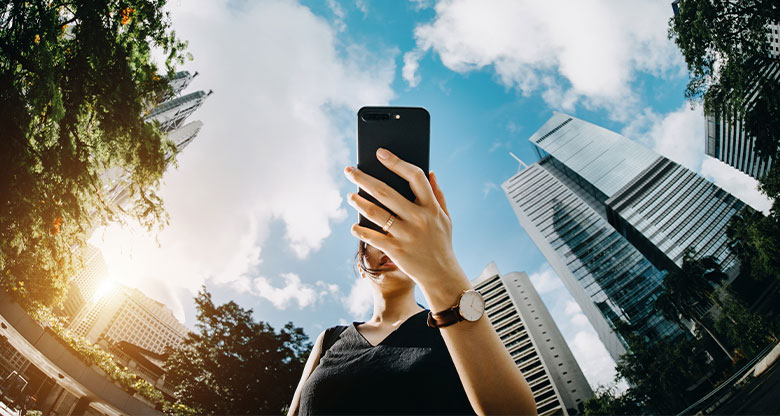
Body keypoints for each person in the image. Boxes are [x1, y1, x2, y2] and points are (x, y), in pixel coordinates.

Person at [288, 148, 536, 415]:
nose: (389, 244)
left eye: (398, 233)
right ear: (360, 266)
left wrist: (442, 266)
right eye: (376, 235)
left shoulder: (455, 326)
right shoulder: (329, 340)